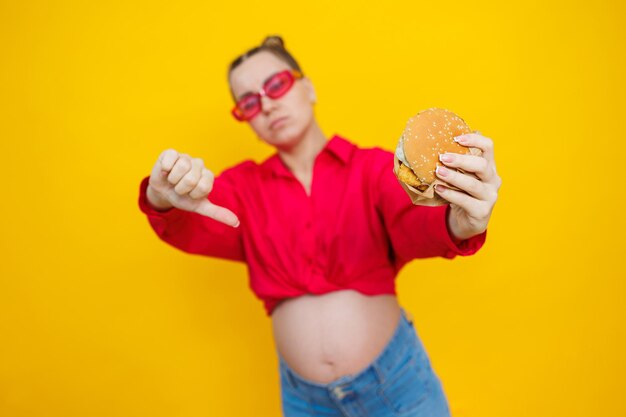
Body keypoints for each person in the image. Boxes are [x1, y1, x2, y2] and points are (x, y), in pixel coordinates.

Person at [137, 35, 501, 417]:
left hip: (398, 388)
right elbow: (189, 220)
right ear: (246, 119)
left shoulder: (373, 170)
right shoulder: (241, 189)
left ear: (307, 87)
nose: (266, 104)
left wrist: (461, 220)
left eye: (276, 84)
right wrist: (163, 196)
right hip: (305, 403)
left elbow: (420, 222)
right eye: (248, 102)